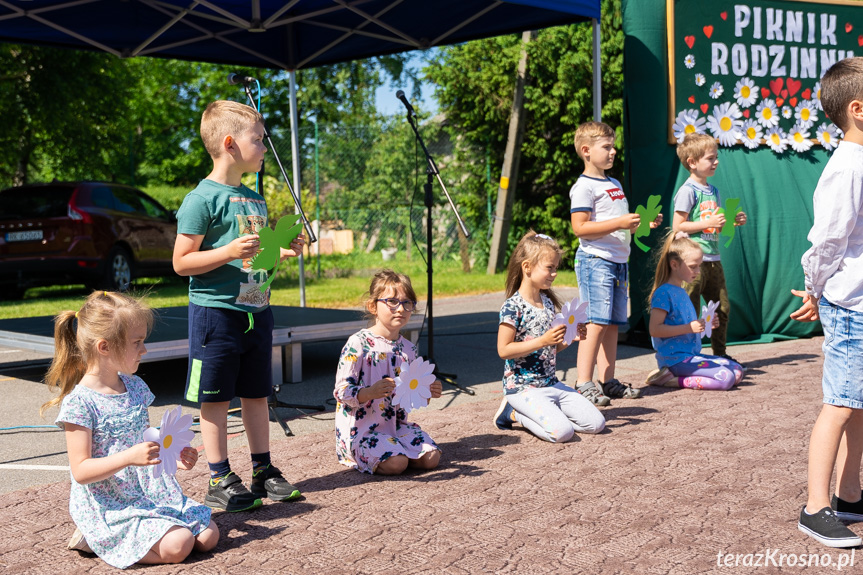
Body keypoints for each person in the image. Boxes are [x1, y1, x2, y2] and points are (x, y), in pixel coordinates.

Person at [173, 100, 305, 512]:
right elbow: (181, 262)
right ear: (230, 144)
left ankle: (262, 470)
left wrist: (278, 251)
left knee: (256, 393)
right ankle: (218, 476)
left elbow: (255, 259)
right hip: (215, 314)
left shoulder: (254, 199)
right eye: (259, 140)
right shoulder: (201, 200)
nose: (265, 147)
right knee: (215, 398)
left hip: (255, 311)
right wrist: (227, 249)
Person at [41, 291, 218, 568]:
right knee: (179, 544)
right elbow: (81, 470)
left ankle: (137, 535)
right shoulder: (80, 403)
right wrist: (128, 458)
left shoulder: (134, 386)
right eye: (137, 342)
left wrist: (173, 455)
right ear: (104, 347)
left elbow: (146, 440)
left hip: (149, 491)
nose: (144, 350)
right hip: (112, 503)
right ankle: (97, 538)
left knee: (208, 537)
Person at [791, 57, 863, 548]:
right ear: (858, 109)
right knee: (839, 405)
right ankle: (816, 507)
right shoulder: (847, 168)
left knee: (859, 405)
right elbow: (828, 241)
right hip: (850, 307)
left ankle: (850, 495)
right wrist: (815, 288)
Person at [570, 121, 660, 405]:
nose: (613, 152)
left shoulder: (615, 184)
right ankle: (583, 382)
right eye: (606, 147)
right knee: (595, 323)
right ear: (586, 150)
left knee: (611, 325)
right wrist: (620, 222)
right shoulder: (583, 187)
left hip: (619, 262)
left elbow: (619, 228)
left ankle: (607, 382)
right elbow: (580, 227)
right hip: (595, 261)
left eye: (613, 146)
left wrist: (639, 223)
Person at [494, 232, 606, 442]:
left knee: (596, 424)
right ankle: (513, 412)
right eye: (549, 268)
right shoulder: (512, 307)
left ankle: (549, 414)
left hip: (551, 384)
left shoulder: (547, 303)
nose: (554, 273)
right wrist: (542, 340)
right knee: (561, 433)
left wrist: (568, 340)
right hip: (522, 388)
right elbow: (504, 350)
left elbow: (550, 350)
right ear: (527, 267)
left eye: (555, 268)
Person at [334, 270, 443, 475]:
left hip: (395, 427)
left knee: (431, 458)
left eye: (407, 302)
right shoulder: (358, 343)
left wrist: (426, 392)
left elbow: (409, 398)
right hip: (363, 431)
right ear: (373, 306)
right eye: (392, 301)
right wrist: (369, 392)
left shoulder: (408, 349)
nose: (400, 308)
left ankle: (397, 450)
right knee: (396, 464)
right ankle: (390, 454)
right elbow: (341, 391)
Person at [671, 132, 747, 364]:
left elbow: (713, 226)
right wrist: (708, 223)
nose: (716, 162)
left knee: (721, 307)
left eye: (716, 157)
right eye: (710, 158)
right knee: (689, 310)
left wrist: (731, 220)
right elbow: (678, 226)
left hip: (714, 260)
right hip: (692, 263)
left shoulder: (713, 191)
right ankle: (688, 354)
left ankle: (720, 354)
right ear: (692, 163)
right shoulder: (687, 190)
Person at [645, 231, 744, 391]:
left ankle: (671, 376)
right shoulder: (663, 293)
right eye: (693, 266)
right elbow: (655, 329)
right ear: (674, 264)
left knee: (737, 371)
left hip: (691, 357)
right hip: (675, 360)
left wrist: (705, 325)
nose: (698, 271)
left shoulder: (682, 291)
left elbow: (687, 328)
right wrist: (689, 327)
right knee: (726, 379)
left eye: (699, 265)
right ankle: (669, 380)